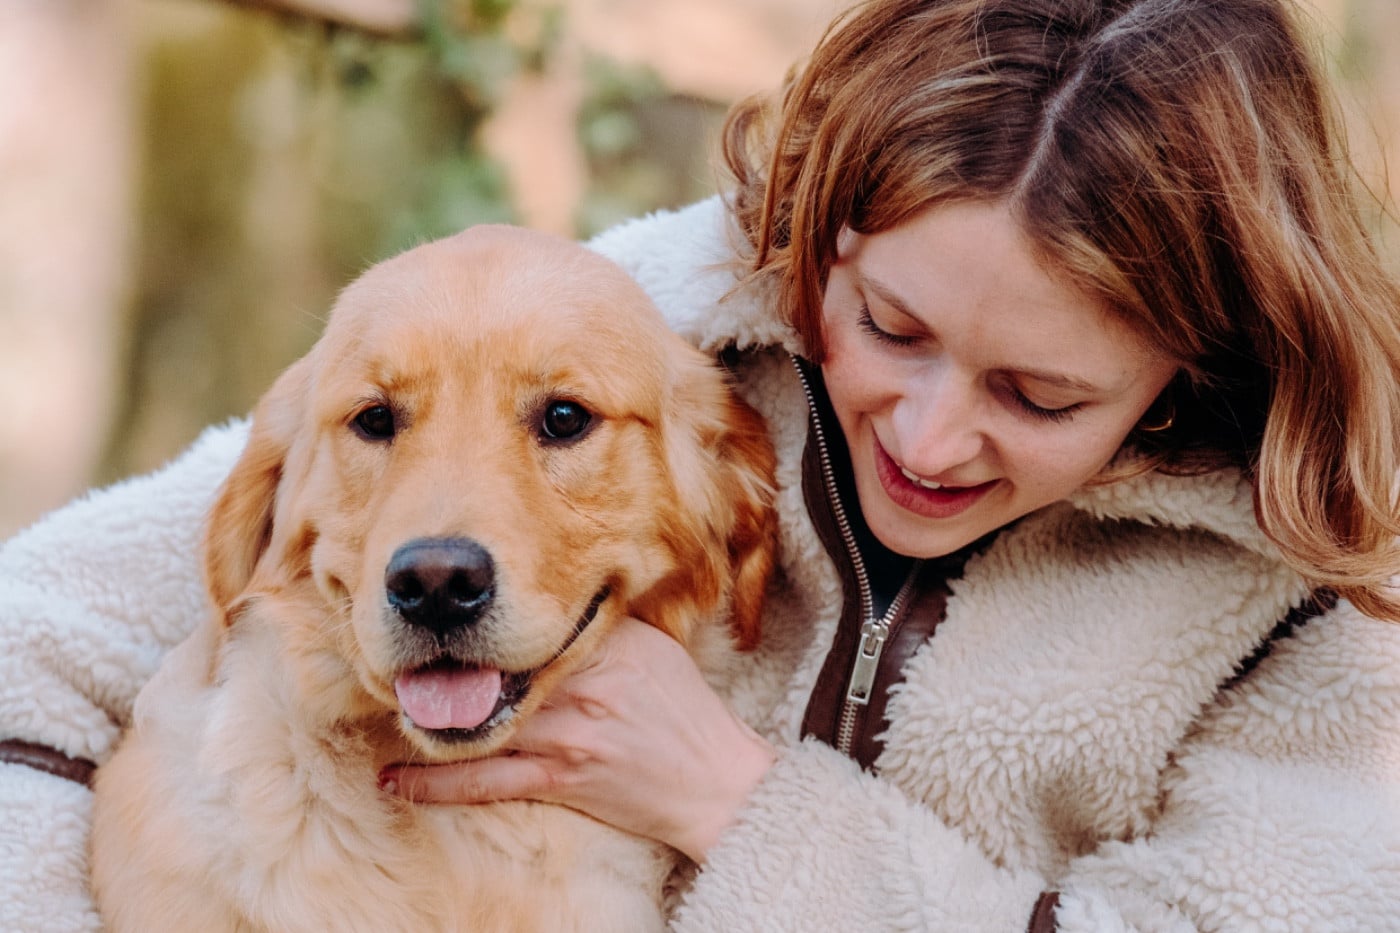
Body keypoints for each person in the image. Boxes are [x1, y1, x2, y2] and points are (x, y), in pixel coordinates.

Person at [4, 0, 1400, 928]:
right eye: (887, 326)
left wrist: (737, 803)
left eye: (1036, 395)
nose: (922, 436)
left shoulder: (1310, 604)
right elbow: (36, 632)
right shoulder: (622, 330)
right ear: (819, 240)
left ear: (1189, 368)